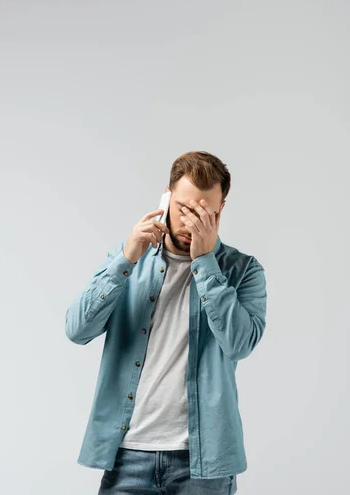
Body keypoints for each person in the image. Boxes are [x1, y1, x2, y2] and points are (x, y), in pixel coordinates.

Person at [65, 150, 267, 494]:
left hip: (204, 464)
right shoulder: (129, 258)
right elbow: (77, 329)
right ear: (166, 198)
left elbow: (240, 343)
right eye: (185, 210)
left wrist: (205, 261)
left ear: (220, 211)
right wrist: (126, 259)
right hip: (128, 457)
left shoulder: (242, 271)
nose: (191, 224)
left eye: (205, 213)